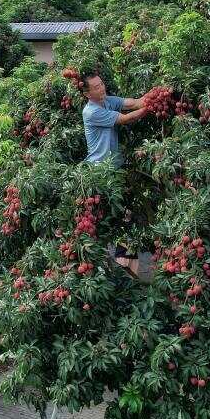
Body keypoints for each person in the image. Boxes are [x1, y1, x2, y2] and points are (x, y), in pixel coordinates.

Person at [80, 72, 148, 274]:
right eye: (96, 87)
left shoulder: (108, 101)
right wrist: (151, 107)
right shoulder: (91, 112)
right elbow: (126, 118)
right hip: (100, 173)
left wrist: (159, 92)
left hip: (115, 169)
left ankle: (125, 265)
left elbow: (134, 103)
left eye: (101, 84)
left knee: (125, 216)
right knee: (108, 220)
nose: (101, 88)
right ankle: (104, 267)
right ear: (87, 94)